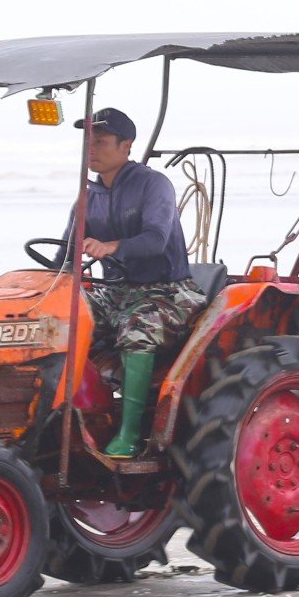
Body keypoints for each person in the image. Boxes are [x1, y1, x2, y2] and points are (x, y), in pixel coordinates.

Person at [69, 107, 205, 458]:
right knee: (63, 318)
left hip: (167, 292)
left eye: (99, 142)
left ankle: (131, 435)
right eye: (87, 143)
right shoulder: (88, 196)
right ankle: (75, 416)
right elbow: (66, 254)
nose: (91, 150)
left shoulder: (153, 184)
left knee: (136, 328)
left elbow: (156, 240)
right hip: (114, 292)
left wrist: (112, 246)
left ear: (126, 145)